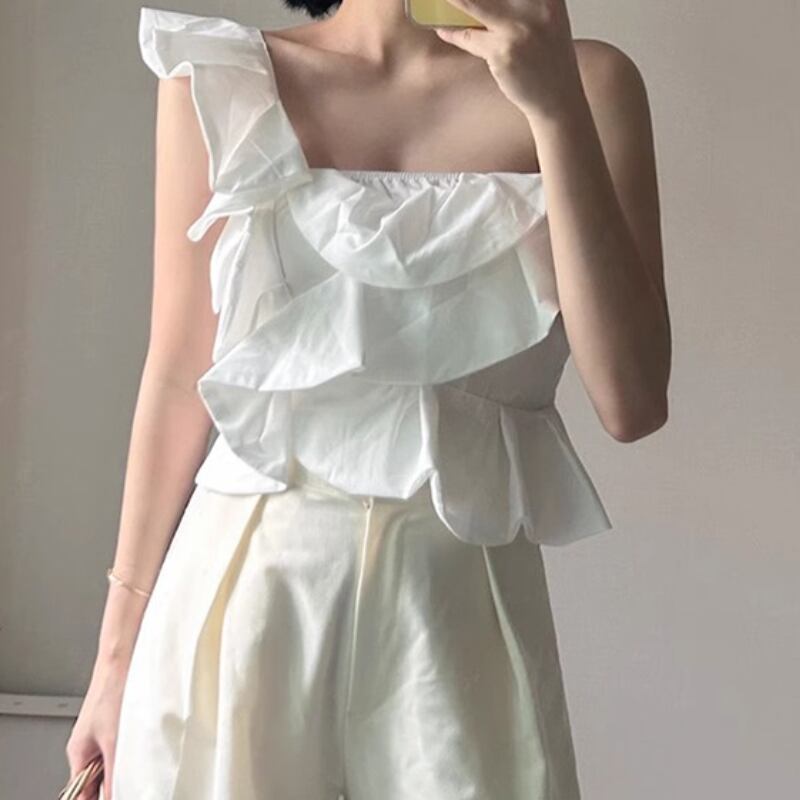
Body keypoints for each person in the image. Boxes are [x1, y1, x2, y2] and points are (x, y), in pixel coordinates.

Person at [65, 0, 670, 798]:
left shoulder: (590, 83)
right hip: (240, 606)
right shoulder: (219, 80)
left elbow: (632, 400)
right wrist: (113, 665)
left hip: (461, 629)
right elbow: (179, 376)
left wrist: (554, 106)